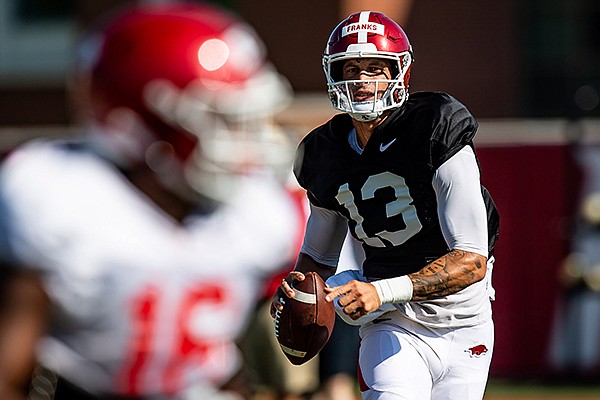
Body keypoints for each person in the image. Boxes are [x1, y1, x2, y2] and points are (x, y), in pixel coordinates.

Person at [0, 2, 301, 400]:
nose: (242, 146)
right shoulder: (59, 197)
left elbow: (216, 355)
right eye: (219, 120)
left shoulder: (255, 213)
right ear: (139, 124)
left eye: (242, 119)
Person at [271, 10, 500, 400]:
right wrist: (298, 289)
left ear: (400, 72)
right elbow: (317, 258)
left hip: (465, 320)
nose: (361, 81)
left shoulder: (436, 126)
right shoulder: (322, 153)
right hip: (392, 322)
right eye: (351, 68)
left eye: (375, 68)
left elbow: (472, 260)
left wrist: (381, 290)